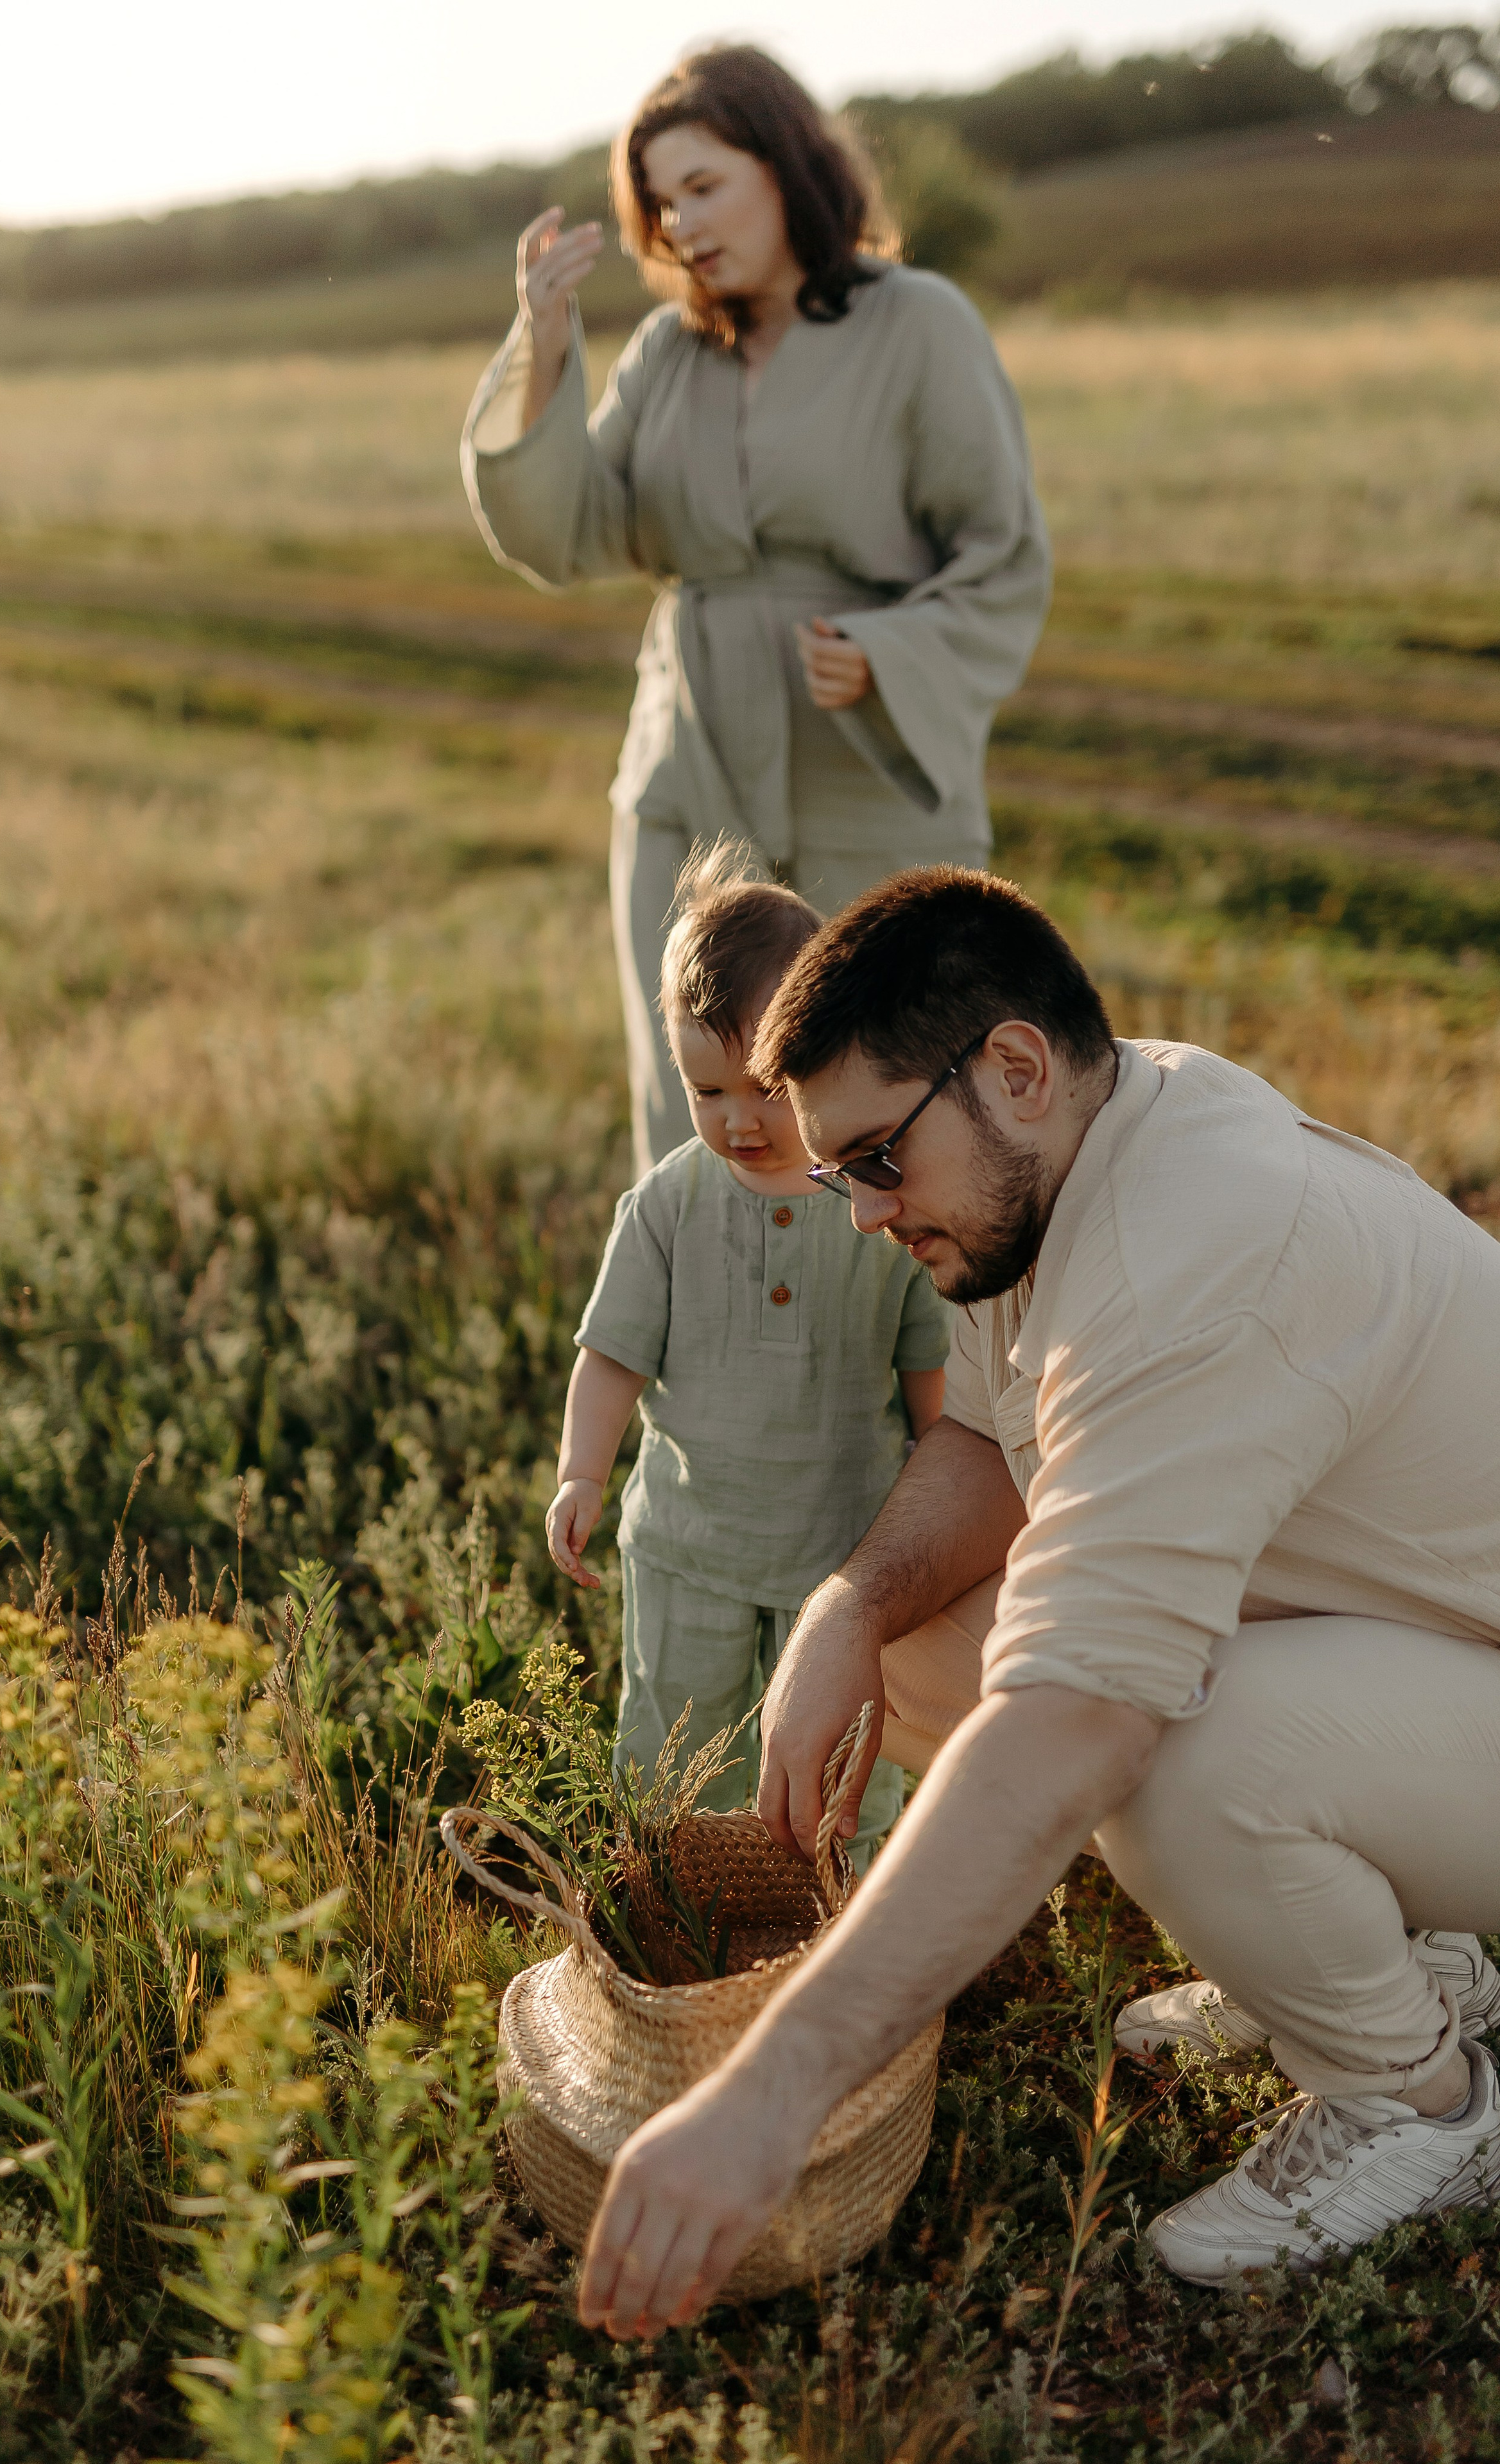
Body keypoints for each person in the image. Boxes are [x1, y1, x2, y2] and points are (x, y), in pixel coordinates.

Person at [573, 865, 1500, 2336]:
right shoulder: (1079, 1145)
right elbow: (989, 1447)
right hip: (1438, 1647)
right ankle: (1362, 1956)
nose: (861, 1218)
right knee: (953, 1650)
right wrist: (847, 1609)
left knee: (1163, 1742)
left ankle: (1418, 2102)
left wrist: (769, 2096)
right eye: (835, 1178)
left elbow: (1078, 1720)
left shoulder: (1191, 1255)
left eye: (875, 1160)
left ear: (1010, 1065)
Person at [461, 44, 1049, 1177]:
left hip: (862, 771)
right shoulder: (667, 356)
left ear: (785, 166)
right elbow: (563, 530)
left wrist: (889, 653)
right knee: (695, 1105)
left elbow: (1004, 555)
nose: (680, 222)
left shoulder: (919, 324)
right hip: (689, 778)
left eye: (704, 184)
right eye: (661, 201)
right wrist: (541, 343)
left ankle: (919, 1358)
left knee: (905, 1096)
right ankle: (708, 1353)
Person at [546, 844, 950, 1858]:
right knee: (681, 1750)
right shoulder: (670, 1205)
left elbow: (926, 1379)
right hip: (694, 1551)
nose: (737, 1121)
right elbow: (611, 1356)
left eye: (764, 1088)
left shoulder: (878, 1199)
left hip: (842, 1562)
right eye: (704, 1091)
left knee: (843, 1757)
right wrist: (581, 1472)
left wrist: (945, 1514)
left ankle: (829, 1905)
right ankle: (686, 1900)